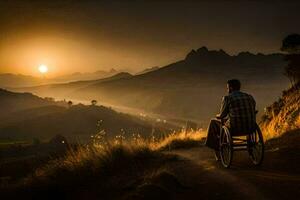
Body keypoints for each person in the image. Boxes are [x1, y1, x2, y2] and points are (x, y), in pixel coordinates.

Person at [205, 79, 256, 155]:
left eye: (228, 88)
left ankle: (217, 146)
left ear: (231, 88)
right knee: (227, 121)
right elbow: (253, 109)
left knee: (213, 122)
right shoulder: (249, 97)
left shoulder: (227, 98)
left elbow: (222, 115)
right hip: (250, 127)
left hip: (235, 128)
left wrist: (217, 115)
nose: (227, 90)